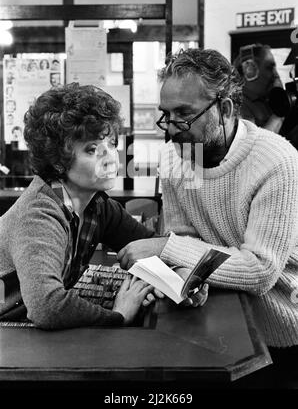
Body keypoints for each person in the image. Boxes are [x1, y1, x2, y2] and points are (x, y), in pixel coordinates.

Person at [117, 48, 298, 387]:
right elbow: (185, 238)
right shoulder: (176, 158)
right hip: (218, 325)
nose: (171, 129)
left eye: (183, 114)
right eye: (165, 115)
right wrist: (187, 277)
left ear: (225, 109)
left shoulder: (277, 162)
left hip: (284, 335)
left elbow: (259, 270)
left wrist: (165, 247)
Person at [0, 83, 158, 330]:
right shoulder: (38, 215)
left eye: (111, 144)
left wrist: (180, 278)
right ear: (58, 161)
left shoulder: (98, 206)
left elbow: (150, 246)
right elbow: (47, 307)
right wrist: (118, 315)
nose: (110, 158)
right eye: (92, 149)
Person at [234, 43, 287, 133]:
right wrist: (280, 111)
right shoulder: (238, 105)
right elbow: (253, 143)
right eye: (269, 67)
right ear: (249, 70)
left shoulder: (266, 99)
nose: (276, 74)